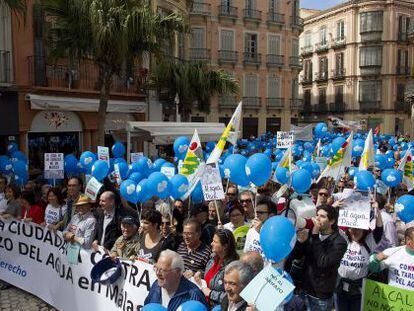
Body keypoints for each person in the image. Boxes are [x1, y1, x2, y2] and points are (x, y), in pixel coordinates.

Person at [291, 204, 347, 311]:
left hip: (319, 296)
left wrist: (315, 236)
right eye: (317, 215)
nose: (317, 218)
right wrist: (301, 242)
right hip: (304, 289)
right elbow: (297, 256)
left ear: (332, 221)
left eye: (322, 216)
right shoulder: (312, 235)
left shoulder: (339, 242)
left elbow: (323, 262)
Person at [335, 200, 383, 311]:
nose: (354, 231)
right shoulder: (343, 239)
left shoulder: (369, 242)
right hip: (340, 287)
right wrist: (334, 207)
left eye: (358, 229)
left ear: (364, 229)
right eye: (352, 228)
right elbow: (331, 225)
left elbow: (379, 231)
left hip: (359, 290)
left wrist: (377, 211)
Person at [144, 250, 208, 310]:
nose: (158, 273)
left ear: (177, 272)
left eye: (163, 270)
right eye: (156, 268)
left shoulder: (194, 296)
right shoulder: (156, 286)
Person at [195, 229, 239, 308]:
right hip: (204, 304)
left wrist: (211, 293)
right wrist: (200, 274)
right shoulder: (212, 258)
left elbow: (233, 295)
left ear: (225, 246)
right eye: (212, 241)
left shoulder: (232, 268)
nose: (211, 244)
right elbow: (209, 275)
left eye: (215, 242)